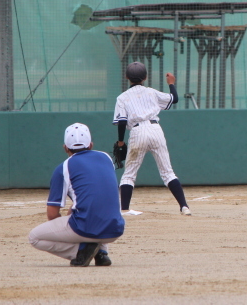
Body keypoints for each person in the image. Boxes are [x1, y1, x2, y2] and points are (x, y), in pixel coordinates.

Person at [28, 123, 125, 267]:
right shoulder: (106, 158)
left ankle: (81, 251)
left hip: (88, 227)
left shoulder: (64, 167)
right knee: (96, 207)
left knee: (34, 237)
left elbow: (52, 214)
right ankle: (102, 252)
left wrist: (71, 233)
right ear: (91, 145)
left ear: (65, 148)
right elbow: (94, 193)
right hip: (116, 228)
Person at [113, 61, 191, 216]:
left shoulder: (122, 98)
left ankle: (125, 209)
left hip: (137, 131)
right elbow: (174, 99)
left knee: (129, 174)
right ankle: (184, 207)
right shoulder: (151, 92)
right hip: (156, 130)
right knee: (168, 172)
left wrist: (121, 141)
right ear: (145, 77)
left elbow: (122, 121)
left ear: (127, 77)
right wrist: (171, 83)